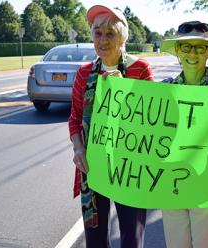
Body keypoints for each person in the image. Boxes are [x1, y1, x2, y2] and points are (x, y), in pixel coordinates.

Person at [68, 5, 154, 248]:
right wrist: (78, 149)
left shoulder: (139, 69)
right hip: (94, 167)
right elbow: (74, 119)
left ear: (122, 38)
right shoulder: (84, 74)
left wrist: (124, 90)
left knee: (132, 238)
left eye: (110, 34)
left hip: (131, 168)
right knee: (95, 241)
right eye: (97, 33)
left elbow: (151, 121)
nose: (102, 40)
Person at [159, 21, 208, 248]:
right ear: (177, 51)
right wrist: (112, 82)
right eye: (186, 47)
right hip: (173, 189)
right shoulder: (164, 90)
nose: (192, 53)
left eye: (200, 47)